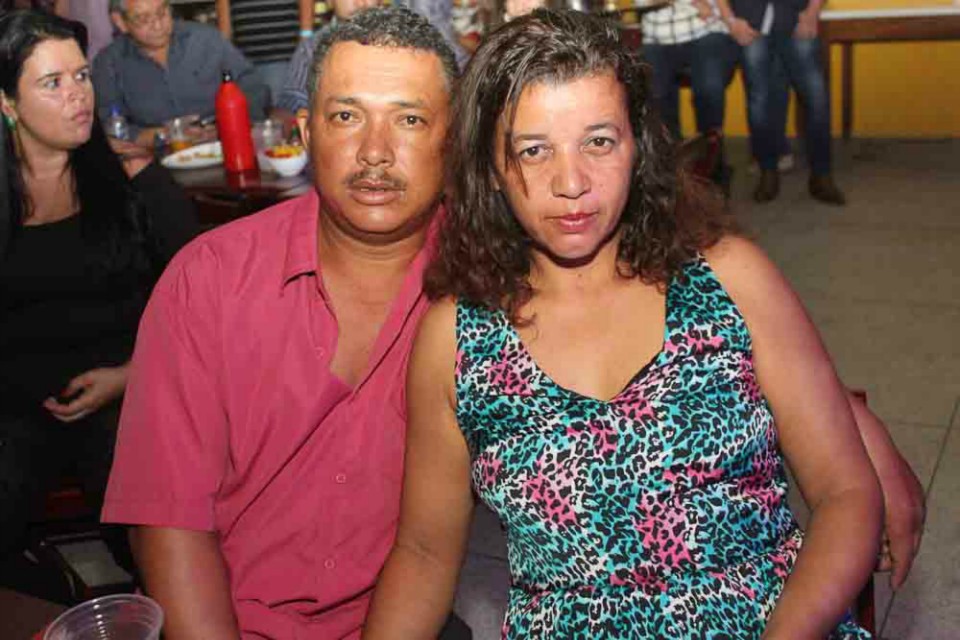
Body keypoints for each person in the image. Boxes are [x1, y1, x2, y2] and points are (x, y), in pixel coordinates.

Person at [363, 9, 893, 638]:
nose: (571, 183)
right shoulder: (456, 341)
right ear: (492, 171)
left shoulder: (731, 279)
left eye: (598, 141)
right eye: (533, 150)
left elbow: (846, 492)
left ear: (637, 146)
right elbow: (424, 554)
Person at [101, 7, 470, 639]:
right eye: (346, 116)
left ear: (453, 141)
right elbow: (168, 520)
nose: (375, 152)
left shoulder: (484, 288)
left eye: (409, 119)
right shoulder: (209, 279)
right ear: (304, 134)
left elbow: (431, 549)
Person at [0, 9, 198, 560]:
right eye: (52, 82)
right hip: (17, 405)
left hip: (130, 391)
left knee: (144, 514)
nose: (78, 95)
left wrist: (131, 376)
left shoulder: (134, 177)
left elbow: (206, 309)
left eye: (82, 76)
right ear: (7, 103)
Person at [717, 0, 846, 205]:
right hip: (751, 22)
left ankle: (822, 175)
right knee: (759, 103)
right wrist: (731, 21)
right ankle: (768, 171)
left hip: (796, 18)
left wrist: (812, 12)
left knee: (817, 97)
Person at [91, 0, 268, 147]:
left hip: (223, 142)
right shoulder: (109, 63)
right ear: (120, 22)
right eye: (143, 19)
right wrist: (162, 136)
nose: (157, 25)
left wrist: (229, 124)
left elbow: (253, 86)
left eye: (162, 13)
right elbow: (108, 124)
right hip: (154, 157)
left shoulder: (206, 40)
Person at [272, 0, 466, 123]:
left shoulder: (411, 38)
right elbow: (289, 105)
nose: (361, 2)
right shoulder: (312, 47)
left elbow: (463, 76)